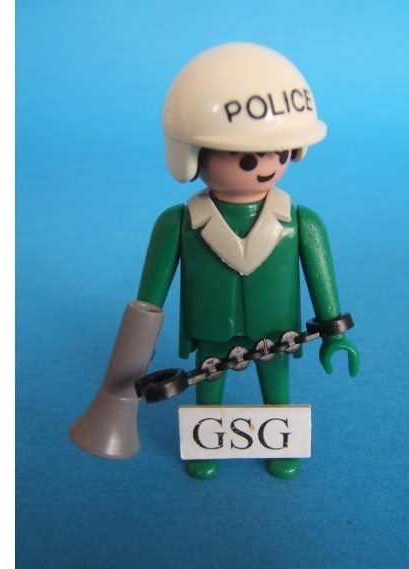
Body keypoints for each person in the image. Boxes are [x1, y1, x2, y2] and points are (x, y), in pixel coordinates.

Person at [137, 42, 359, 479]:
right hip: (212, 329)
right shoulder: (177, 224)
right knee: (208, 385)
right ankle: (206, 444)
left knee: (277, 387)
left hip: (277, 332)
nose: (267, 167)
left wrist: (334, 334)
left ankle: (280, 442)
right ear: (192, 155)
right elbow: (149, 300)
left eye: (281, 153)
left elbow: (322, 284)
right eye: (247, 158)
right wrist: (135, 352)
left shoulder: (302, 223)